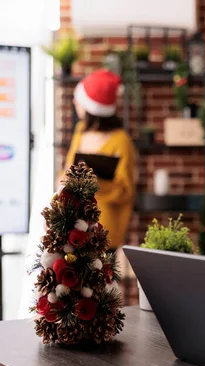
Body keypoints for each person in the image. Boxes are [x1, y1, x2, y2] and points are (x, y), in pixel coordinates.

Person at [59, 69, 137, 253]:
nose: (74, 102)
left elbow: (125, 191)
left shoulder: (121, 141)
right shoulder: (80, 131)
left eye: (78, 98)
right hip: (73, 228)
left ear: (90, 106)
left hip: (103, 232)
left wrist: (94, 183)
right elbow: (67, 170)